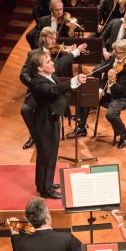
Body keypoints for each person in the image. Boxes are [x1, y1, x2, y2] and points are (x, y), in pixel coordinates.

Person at [28, 49, 87, 199]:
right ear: (40, 68)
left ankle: (43, 184)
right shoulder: (37, 83)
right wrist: (73, 81)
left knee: (48, 155)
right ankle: (46, 190)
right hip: (45, 122)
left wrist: (76, 52)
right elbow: (53, 90)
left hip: (51, 118)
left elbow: (60, 63)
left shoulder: (48, 74)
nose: (52, 63)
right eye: (48, 62)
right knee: (47, 156)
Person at [8, 198, 81, 251]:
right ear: (47, 216)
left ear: (27, 220)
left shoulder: (21, 242)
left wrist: (14, 233)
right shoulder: (67, 238)